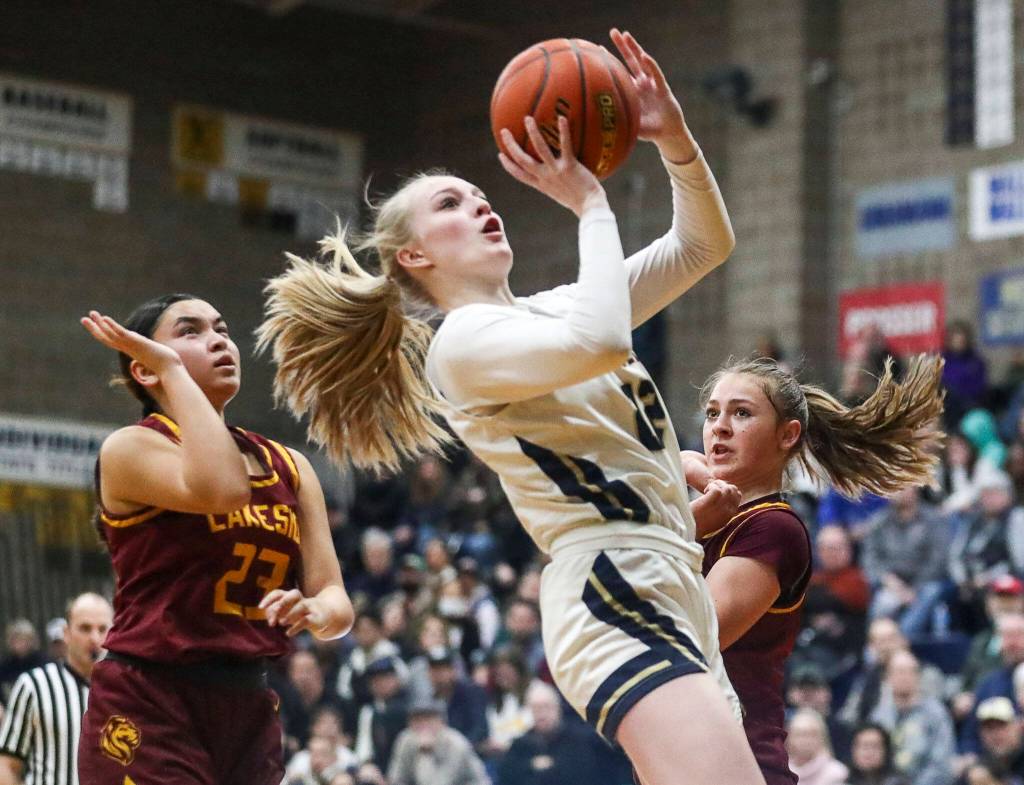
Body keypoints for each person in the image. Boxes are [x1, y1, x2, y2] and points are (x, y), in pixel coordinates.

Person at [257, 27, 764, 785]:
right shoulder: (463, 343)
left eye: (478, 192)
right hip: (611, 591)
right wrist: (591, 202)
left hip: (669, 577)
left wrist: (675, 141)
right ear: (414, 256)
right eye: (451, 203)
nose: (480, 202)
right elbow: (600, 339)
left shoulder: (551, 308)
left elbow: (702, 246)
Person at [75, 296, 355, 785]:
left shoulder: (290, 465)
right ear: (146, 368)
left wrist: (317, 612)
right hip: (150, 695)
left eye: (222, 328)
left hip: (247, 702)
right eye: (190, 331)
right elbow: (223, 490)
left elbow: (335, 600)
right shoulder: (132, 448)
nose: (219, 339)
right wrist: (173, 372)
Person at [683, 354, 944, 785]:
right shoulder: (711, 509)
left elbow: (690, 638)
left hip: (737, 759)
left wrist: (687, 525)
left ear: (788, 435)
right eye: (712, 413)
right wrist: (701, 485)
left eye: (742, 413)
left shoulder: (774, 527)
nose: (719, 427)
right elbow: (678, 457)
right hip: (680, 751)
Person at [0, 593, 113, 785]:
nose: (95, 638)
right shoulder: (34, 685)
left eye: (103, 629)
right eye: (85, 628)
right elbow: (7, 765)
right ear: (66, 633)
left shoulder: (125, 691)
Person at [387, 698, 489, 785]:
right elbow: (396, 778)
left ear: (441, 722)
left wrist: (426, 752)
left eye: (428, 719)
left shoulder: (455, 743)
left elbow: (438, 782)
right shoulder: (405, 739)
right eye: (417, 719)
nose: (423, 725)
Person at [784, 708, 848, 785]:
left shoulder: (837, 773)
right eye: (800, 734)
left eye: (812, 734)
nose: (805, 740)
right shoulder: (779, 772)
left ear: (822, 738)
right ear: (789, 738)